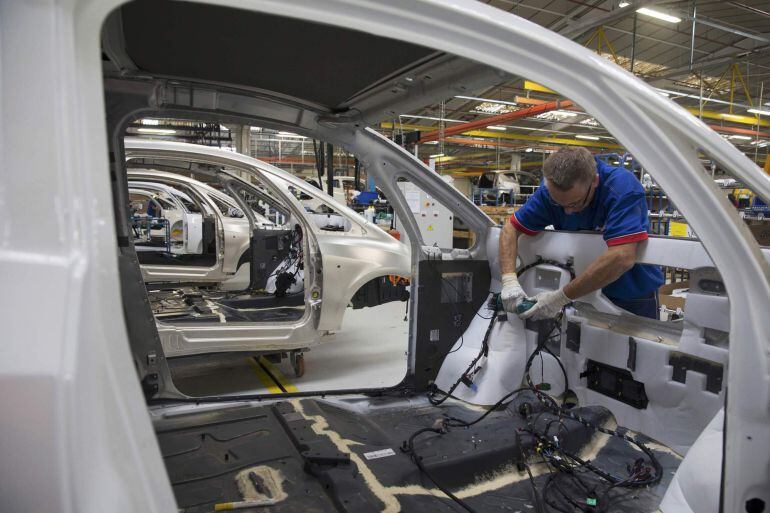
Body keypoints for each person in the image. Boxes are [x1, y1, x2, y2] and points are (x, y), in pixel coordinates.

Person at [499, 147, 663, 320]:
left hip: (629, 296)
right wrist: (509, 280)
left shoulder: (621, 187)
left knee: (634, 346)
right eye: (559, 204)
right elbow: (510, 228)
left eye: (575, 203)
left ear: (595, 181)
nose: (568, 212)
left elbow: (622, 256)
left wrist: (559, 298)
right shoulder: (549, 192)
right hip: (579, 292)